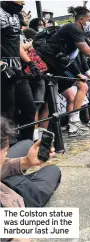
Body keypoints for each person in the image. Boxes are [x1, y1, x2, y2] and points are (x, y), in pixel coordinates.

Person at [36, 6, 90, 136]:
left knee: (50, 101)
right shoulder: (71, 28)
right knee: (49, 101)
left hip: (59, 65)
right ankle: (63, 126)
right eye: (89, 19)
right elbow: (88, 52)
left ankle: (68, 125)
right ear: (81, 19)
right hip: (48, 64)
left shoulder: (80, 35)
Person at [0, 1, 38, 141]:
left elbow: (17, 43)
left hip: (17, 70)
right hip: (3, 73)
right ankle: (5, 152)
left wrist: (30, 63)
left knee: (30, 110)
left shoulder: (16, 15)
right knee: (7, 114)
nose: (24, 1)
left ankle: (25, 143)